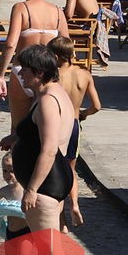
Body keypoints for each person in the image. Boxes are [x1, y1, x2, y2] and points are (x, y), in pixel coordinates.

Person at [0, 45, 75, 255]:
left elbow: (50, 148)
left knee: (49, 250)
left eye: (25, 70)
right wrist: (17, 138)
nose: (20, 74)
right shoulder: (51, 93)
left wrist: (31, 189)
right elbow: (41, 132)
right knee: (43, 250)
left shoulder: (48, 100)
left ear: (39, 73)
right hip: (51, 179)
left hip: (46, 183)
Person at [0, 0, 70, 130]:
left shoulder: (21, 8)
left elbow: (10, 44)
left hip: (23, 70)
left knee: (18, 129)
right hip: (47, 73)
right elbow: (66, 45)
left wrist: (0, 75)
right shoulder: (57, 11)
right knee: (46, 127)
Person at [47, 36, 101, 232]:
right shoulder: (84, 74)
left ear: (56, 56)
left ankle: (61, 220)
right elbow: (97, 106)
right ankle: (75, 205)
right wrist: (83, 114)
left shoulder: (53, 76)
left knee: (54, 172)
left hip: (57, 124)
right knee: (70, 169)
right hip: (74, 124)